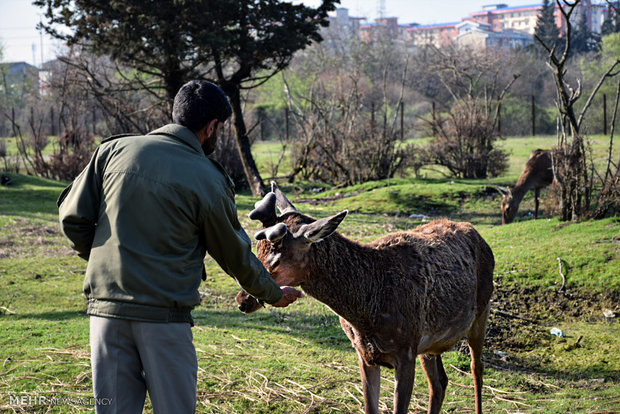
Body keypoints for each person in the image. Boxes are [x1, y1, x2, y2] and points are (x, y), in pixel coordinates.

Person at [57, 80, 302, 413]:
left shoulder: (111, 151)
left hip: (105, 313)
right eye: (220, 129)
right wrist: (273, 293)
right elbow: (235, 255)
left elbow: (72, 218)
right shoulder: (206, 177)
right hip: (164, 319)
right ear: (211, 126)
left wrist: (107, 259)